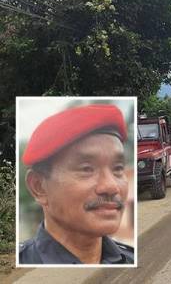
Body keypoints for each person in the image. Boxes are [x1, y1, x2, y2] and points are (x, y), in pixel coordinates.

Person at [19, 104, 134, 264]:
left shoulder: (130, 258)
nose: (111, 186)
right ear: (39, 187)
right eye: (87, 169)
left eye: (118, 168)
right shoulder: (23, 264)